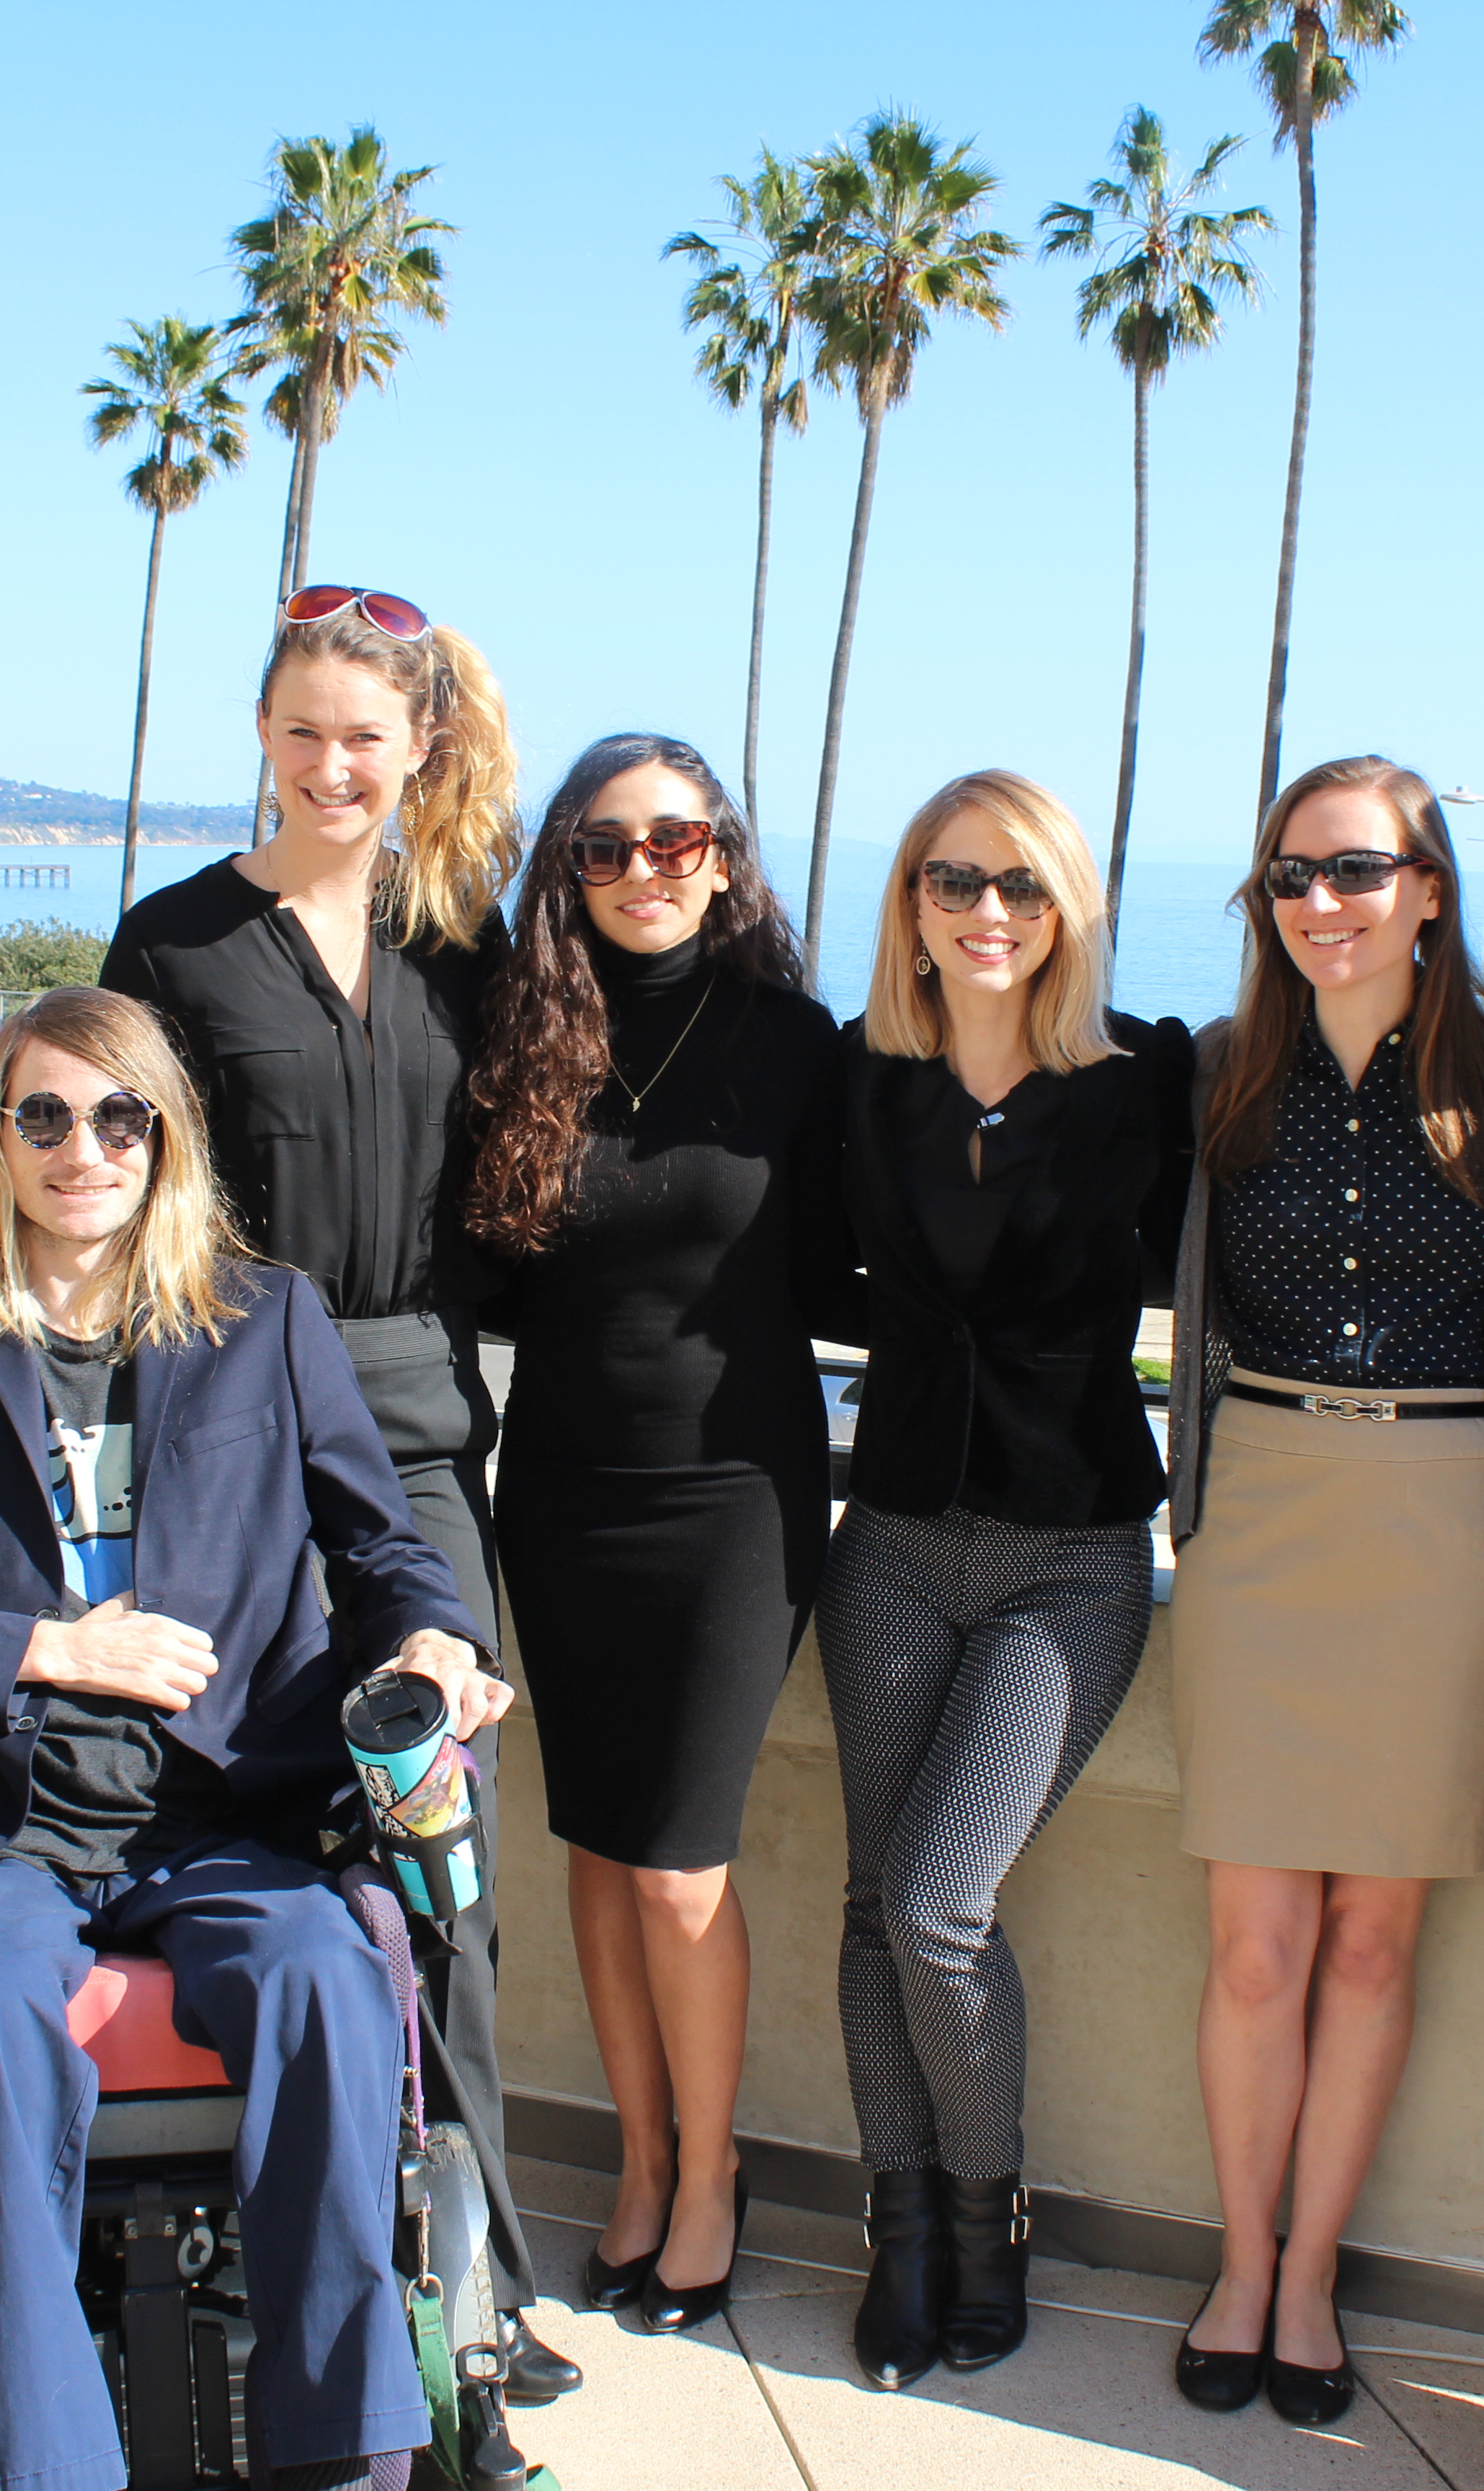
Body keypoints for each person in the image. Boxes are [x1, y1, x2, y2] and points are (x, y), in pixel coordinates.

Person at [0, 985, 505, 2491]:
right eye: (44, 1115)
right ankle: (46, 2468)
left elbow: (381, 1545)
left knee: (323, 1980)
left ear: (165, 1138)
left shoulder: (262, 1320)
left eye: (118, 1115)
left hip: (225, 1809)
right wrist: (41, 1648)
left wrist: (437, 1634)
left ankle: (347, 2460)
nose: (81, 1147)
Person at [97, 583, 574, 2400]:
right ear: (263, 732)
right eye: (301, 730)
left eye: (365, 734)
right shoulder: (176, 942)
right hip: (229, 1420)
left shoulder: (463, 936)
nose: (330, 764)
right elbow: (128, 1202)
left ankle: (477, 2281)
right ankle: (253, 2220)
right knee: (234, 1812)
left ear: (417, 747)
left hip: (426, 1431)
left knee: (438, 1840)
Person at [1160, 757, 1484, 2428]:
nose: (1318, 903)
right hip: (1257, 1504)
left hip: (1437, 1516)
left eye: (1353, 869)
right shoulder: (1208, 1076)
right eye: (1287, 877)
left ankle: (1312, 2275)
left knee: (1371, 1942)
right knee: (1255, 1951)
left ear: (1429, 887)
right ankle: (1239, 2261)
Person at [463, 733, 850, 2337]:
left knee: (681, 1865)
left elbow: (862, 1255)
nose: (643, 870)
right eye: (605, 847)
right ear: (565, 869)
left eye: (674, 840)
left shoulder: (792, 1041)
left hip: (731, 1505)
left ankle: (712, 2178)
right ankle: (636, 2163)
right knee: (599, 1857)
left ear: (724, 855)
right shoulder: (517, 1040)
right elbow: (479, 1276)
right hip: (559, 1493)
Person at [822, 768, 1194, 2389]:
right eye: (953, 882)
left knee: (934, 1902)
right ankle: (899, 2232)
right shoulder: (856, 1082)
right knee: (866, 1902)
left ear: (1068, 912)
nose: (986, 914)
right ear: (910, 903)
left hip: (1071, 1557)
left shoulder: (1146, 1086)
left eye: (1021, 888)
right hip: (893, 1534)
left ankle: (989, 2212)